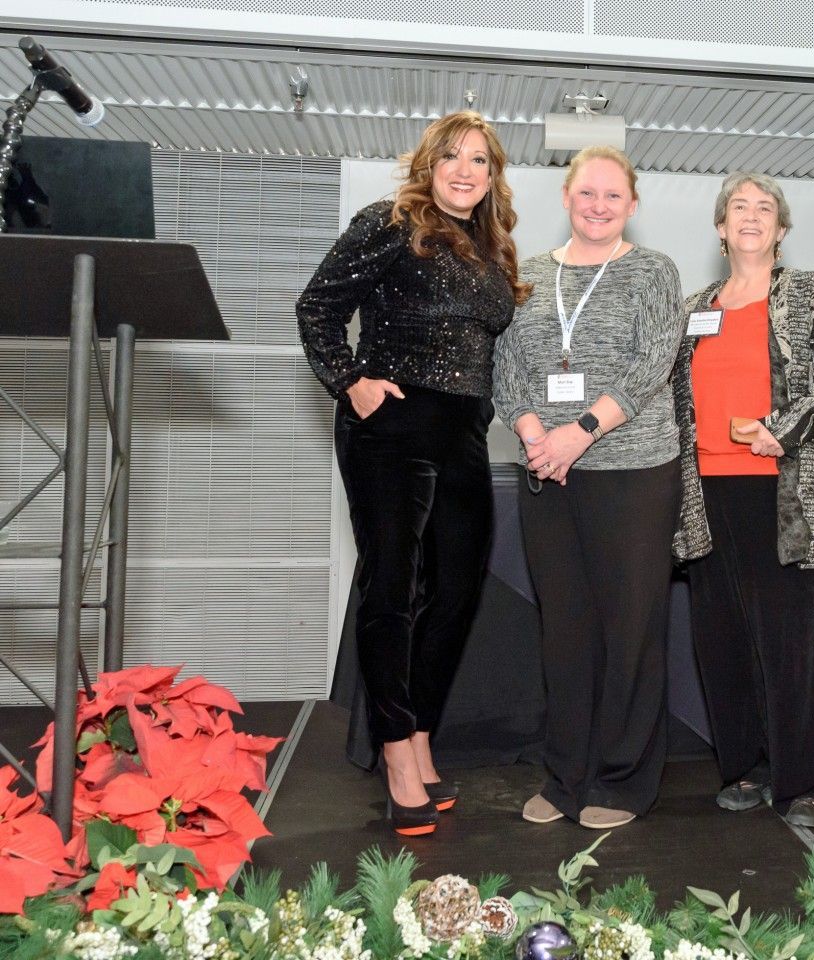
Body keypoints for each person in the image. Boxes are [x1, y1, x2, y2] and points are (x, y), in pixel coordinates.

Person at [296, 111, 529, 836]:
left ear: (494, 176)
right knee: (393, 588)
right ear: (429, 164)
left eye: (481, 161)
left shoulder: (493, 249)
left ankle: (422, 733)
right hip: (391, 424)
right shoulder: (389, 222)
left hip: (464, 429)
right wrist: (348, 381)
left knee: (456, 590)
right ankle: (397, 756)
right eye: (453, 157)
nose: (466, 170)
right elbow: (318, 307)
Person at [492, 146, 684, 830]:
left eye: (612, 196)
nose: (598, 206)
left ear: (631, 205)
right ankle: (566, 775)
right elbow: (505, 366)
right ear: (568, 197)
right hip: (547, 469)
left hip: (632, 470)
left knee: (629, 629)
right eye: (587, 193)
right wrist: (535, 435)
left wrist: (579, 431)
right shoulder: (529, 275)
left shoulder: (654, 271)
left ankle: (622, 781)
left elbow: (651, 364)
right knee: (565, 632)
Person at [672, 172, 814, 829]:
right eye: (738, 207)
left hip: (792, 492)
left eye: (765, 209)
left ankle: (803, 781)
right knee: (721, 639)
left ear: (781, 231)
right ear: (721, 227)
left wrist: (780, 430)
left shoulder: (813, 292)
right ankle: (745, 770)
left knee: (793, 643)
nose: (751, 216)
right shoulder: (694, 306)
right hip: (703, 495)